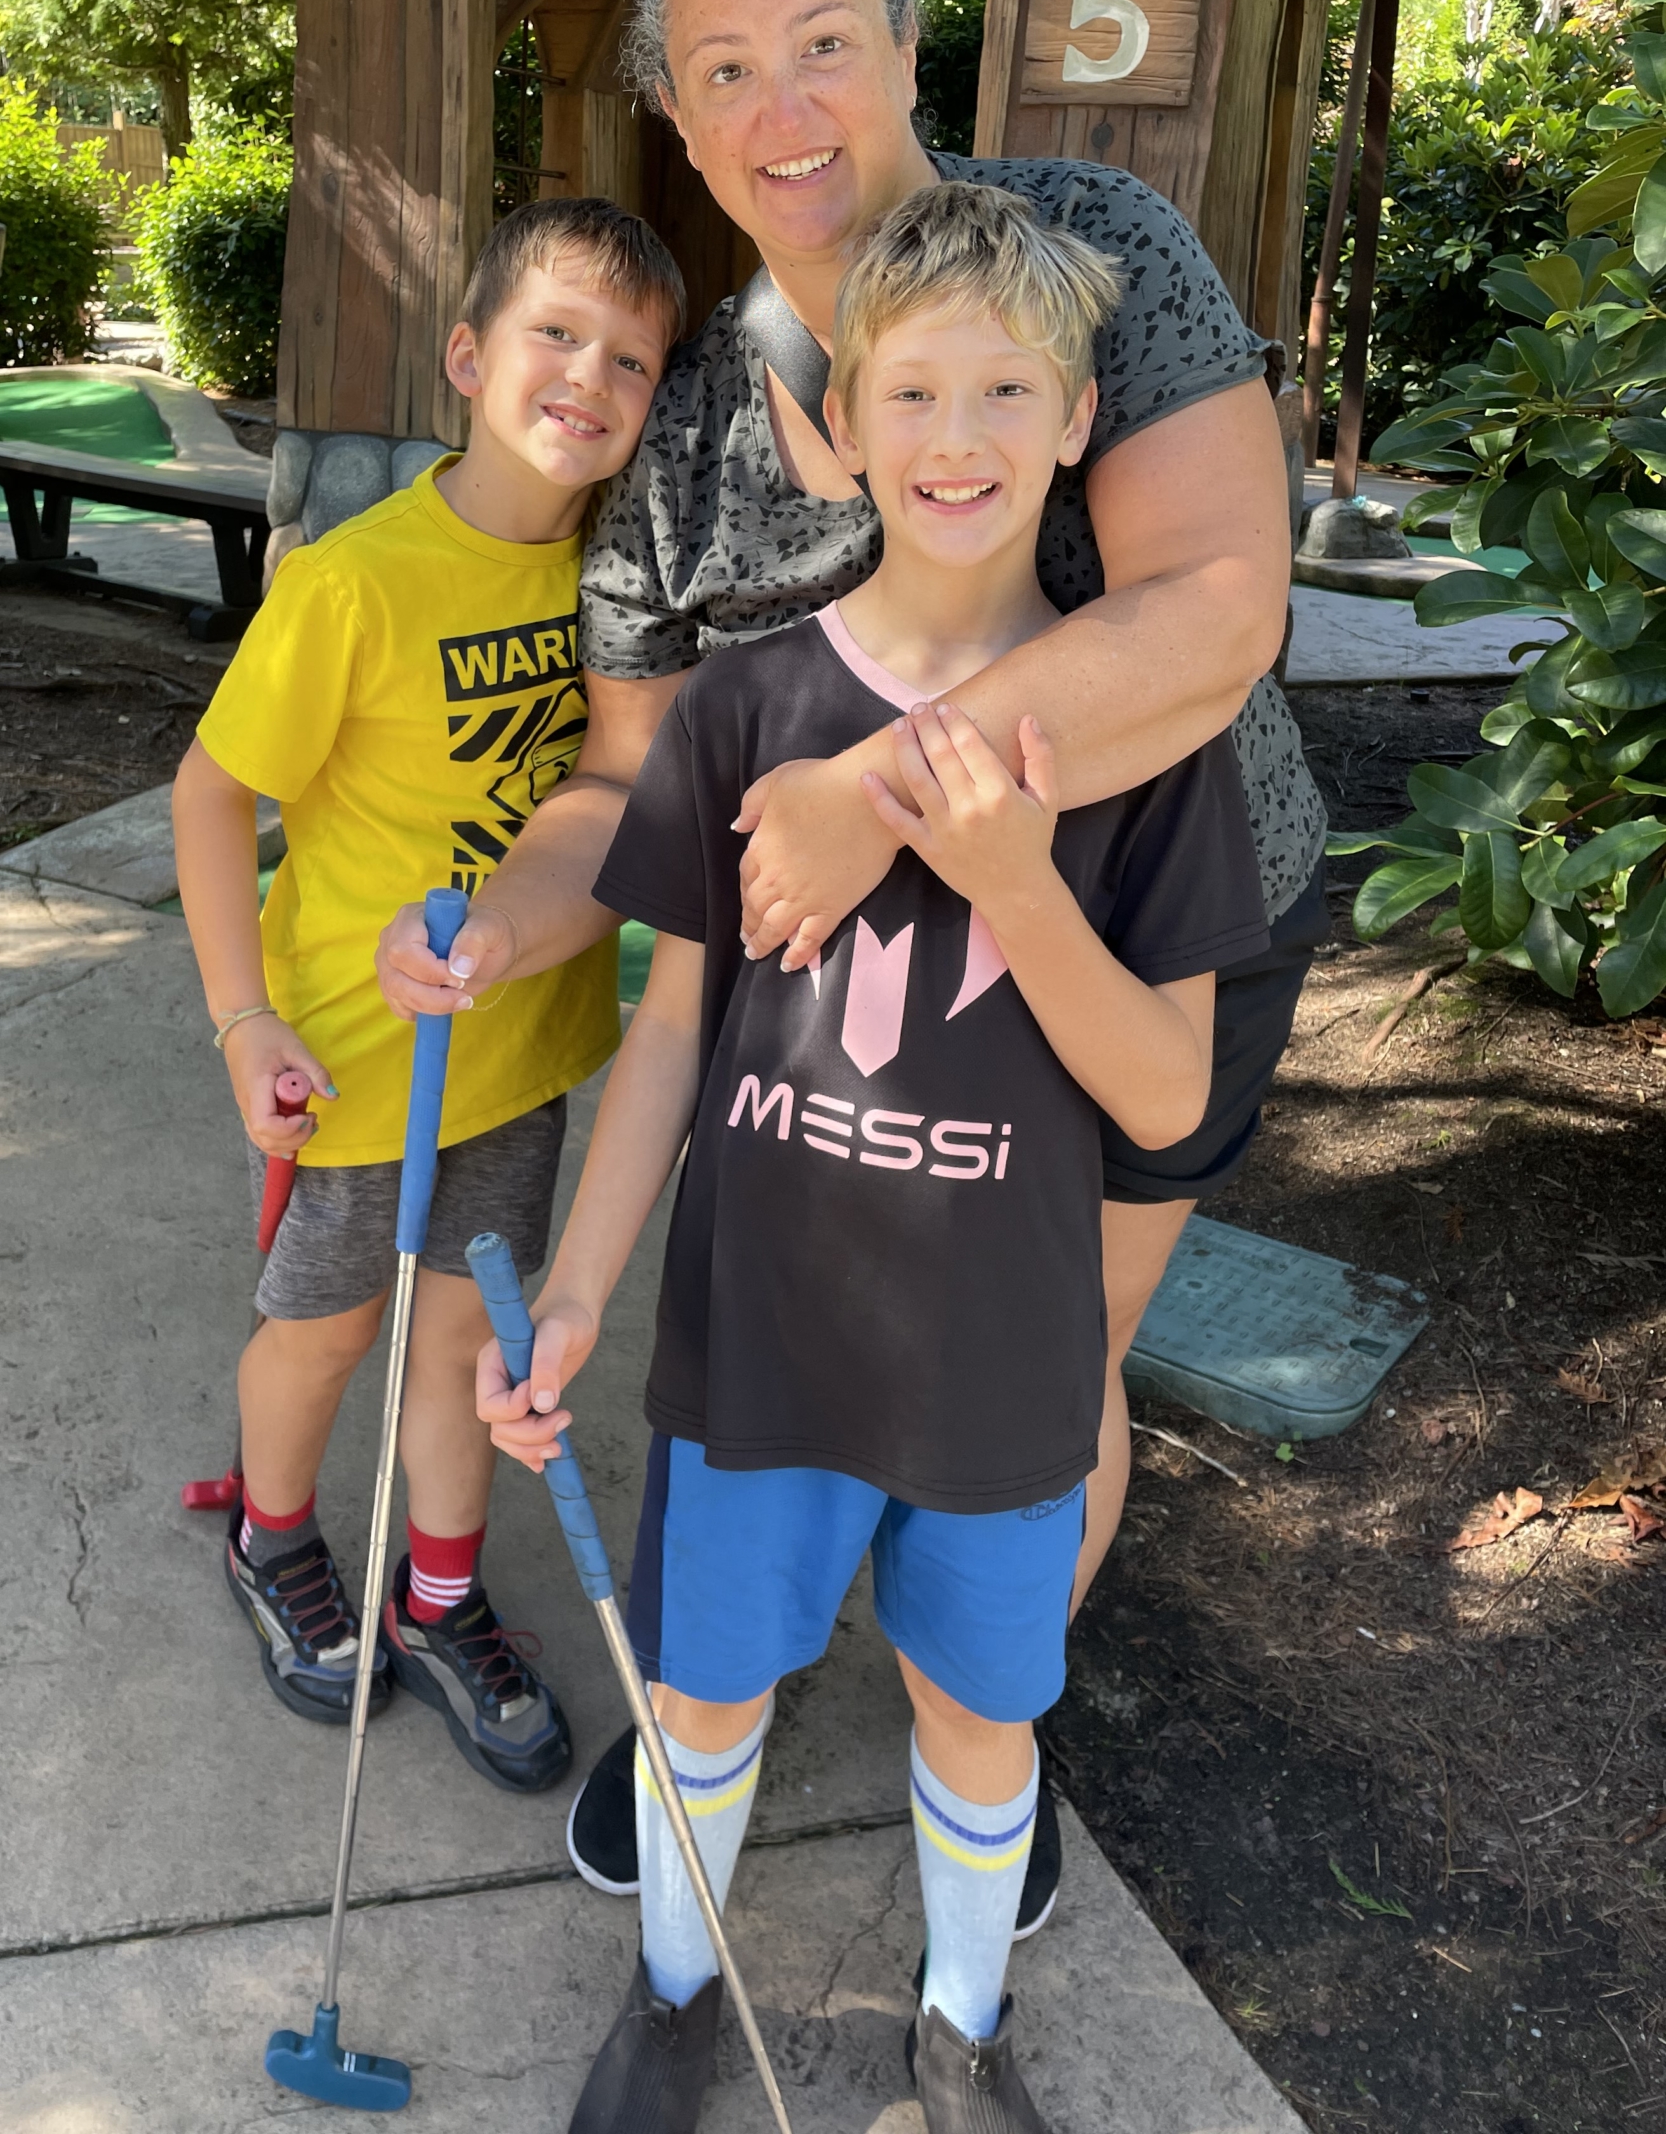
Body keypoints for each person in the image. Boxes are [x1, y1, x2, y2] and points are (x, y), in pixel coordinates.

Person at [381, 0, 1326, 1911]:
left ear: (912, 43)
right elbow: (623, 798)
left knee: (1038, 1376)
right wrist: (486, 918)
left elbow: (1215, 602)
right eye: (722, 70)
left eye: (823, 38)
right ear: (683, 125)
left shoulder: (1094, 251)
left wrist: (865, 791)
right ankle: (716, 1700)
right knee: (791, 1364)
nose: (780, 104)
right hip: (828, 1015)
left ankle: (987, 1731)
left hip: (1142, 952)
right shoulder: (694, 427)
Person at [482, 185, 1270, 2132]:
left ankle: (965, 2017)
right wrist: (580, 1282)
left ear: (1083, 418)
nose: (962, 434)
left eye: (1011, 387)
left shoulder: (1142, 741)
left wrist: (1014, 873)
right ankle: (672, 1996)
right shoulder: (750, 701)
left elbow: (1169, 1097)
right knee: (707, 1692)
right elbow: (671, 1028)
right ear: (844, 425)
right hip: (761, 1353)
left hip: (997, 1365)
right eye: (914, 388)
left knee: (980, 1707)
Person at [171, 196, 684, 1788]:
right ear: (469, 355)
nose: (587, 376)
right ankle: (270, 1539)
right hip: (354, 1060)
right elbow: (209, 795)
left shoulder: (626, 583)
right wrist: (242, 1020)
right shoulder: (356, 583)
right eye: (554, 333)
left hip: (520, 1048)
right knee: (322, 1331)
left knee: (476, 1336)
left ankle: (440, 1597)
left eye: (631, 360)